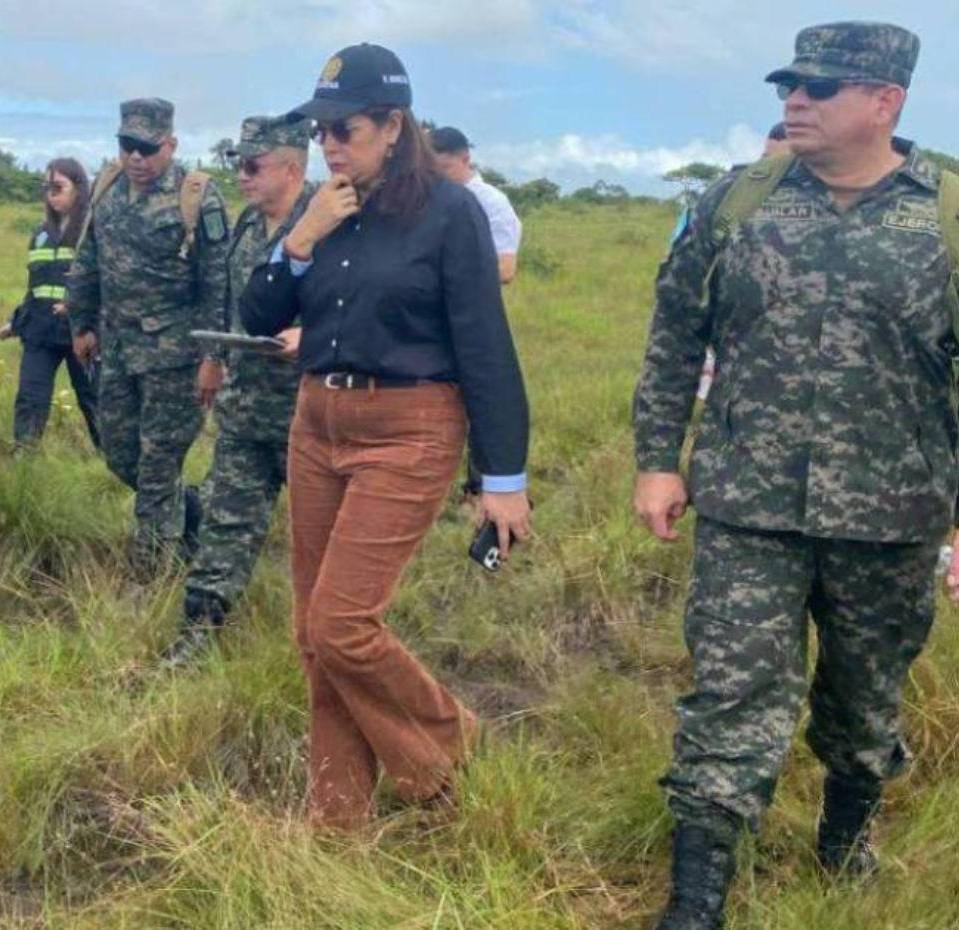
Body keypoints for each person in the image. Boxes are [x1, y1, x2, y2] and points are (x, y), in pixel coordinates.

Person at [632, 22, 957, 929]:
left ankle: (845, 840)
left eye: (819, 87)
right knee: (731, 692)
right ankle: (695, 898)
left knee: (863, 703)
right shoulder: (736, 203)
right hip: (747, 505)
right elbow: (672, 337)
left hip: (893, 514)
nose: (794, 102)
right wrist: (658, 460)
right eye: (789, 85)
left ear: (884, 102)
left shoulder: (945, 216)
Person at [239, 42, 532, 830]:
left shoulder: (448, 212)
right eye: (322, 132)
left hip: (409, 427)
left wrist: (501, 478)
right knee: (313, 634)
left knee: (341, 623)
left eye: (347, 130)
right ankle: (337, 818)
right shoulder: (326, 207)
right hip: (317, 422)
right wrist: (298, 240)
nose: (330, 145)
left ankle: (450, 745)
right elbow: (258, 315)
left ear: (393, 125)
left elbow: (484, 343)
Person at [163, 115, 313, 666]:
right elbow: (229, 306)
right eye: (236, 164)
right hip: (245, 410)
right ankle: (200, 630)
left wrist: (315, 335)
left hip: (310, 415)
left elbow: (369, 309)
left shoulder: (333, 222)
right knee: (226, 521)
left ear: (292, 168)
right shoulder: (248, 225)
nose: (241, 176)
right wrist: (214, 359)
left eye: (252, 166)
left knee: (324, 537)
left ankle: (331, 642)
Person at [67, 98, 230, 575]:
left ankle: (151, 573)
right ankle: (190, 516)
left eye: (147, 148)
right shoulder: (108, 187)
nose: (136, 158)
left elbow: (218, 284)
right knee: (119, 454)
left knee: (158, 467)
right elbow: (88, 260)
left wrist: (213, 356)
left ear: (171, 144)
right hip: (117, 349)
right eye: (127, 146)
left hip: (175, 358)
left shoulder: (196, 196)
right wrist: (81, 323)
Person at [1, 159, 99, 448]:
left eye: (58, 187)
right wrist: (15, 323)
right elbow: (36, 290)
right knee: (30, 399)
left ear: (79, 189)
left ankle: (112, 463)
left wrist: (79, 308)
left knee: (93, 399)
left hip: (82, 332)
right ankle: (25, 461)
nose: (51, 195)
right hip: (41, 332)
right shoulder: (40, 235)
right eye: (47, 188)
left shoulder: (93, 233)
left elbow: (107, 286)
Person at [430, 126, 522, 284]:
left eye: (445, 168)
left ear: (466, 159)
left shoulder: (492, 202)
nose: (438, 176)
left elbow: (505, 269)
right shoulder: (425, 198)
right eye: (431, 170)